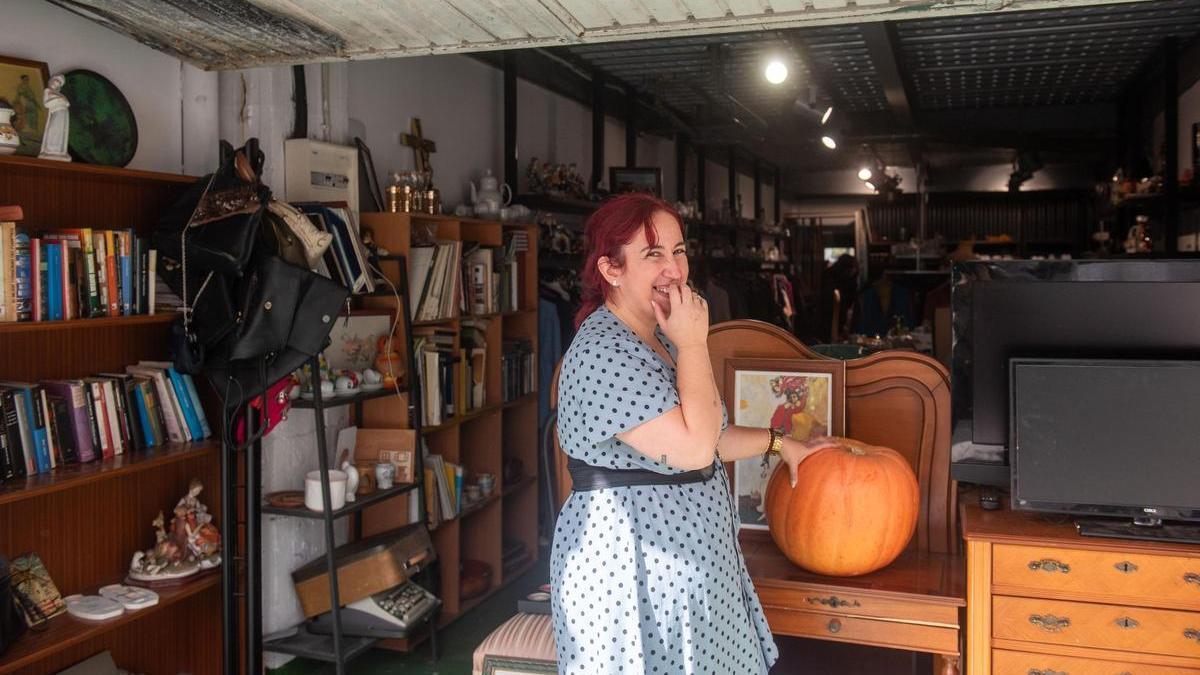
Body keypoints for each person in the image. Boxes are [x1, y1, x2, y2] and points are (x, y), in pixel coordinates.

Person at [552, 193, 836, 673]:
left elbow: (710, 433)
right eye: (653, 253)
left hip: (692, 567)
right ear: (611, 269)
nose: (674, 269)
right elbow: (695, 449)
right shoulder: (604, 352)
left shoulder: (659, 335)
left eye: (679, 250)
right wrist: (693, 342)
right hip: (633, 569)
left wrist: (781, 443)